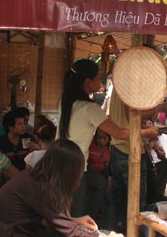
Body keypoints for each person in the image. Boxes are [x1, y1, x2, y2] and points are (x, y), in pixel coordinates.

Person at [57, 59, 159, 218]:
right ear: (88, 82)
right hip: (75, 168)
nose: (101, 80)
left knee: (99, 184)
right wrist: (147, 132)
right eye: (99, 77)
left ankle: (89, 222)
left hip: (60, 164)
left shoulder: (66, 101)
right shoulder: (89, 108)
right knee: (74, 216)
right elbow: (119, 133)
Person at [0, 139, 98, 237]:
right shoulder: (41, 186)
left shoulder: (34, 177)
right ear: (67, 172)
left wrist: (75, 221)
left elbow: (50, 219)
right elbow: (70, 232)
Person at [105, 87, 167, 232]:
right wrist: (162, 107)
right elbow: (130, 115)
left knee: (117, 201)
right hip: (129, 150)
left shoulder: (120, 85)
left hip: (118, 148)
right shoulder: (128, 87)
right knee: (137, 204)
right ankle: (131, 233)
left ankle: (112, 232)